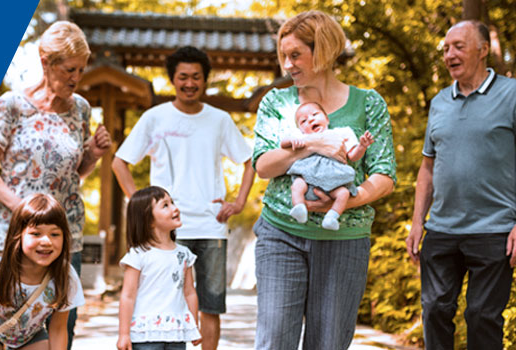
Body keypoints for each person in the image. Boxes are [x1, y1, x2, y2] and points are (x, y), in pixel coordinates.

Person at [251, 10, 396, 349]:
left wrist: (344, 201)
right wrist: (315, 144)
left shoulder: (368, 103)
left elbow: (385, 174)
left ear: (325, 50)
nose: (287, 64)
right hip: (280, 233)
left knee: (329, 343)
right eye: (283, 56)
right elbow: (263, 165)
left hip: (344, 239)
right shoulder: (277, 101)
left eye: (296, 55)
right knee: (274, 341)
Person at [0, 21, 110, 349]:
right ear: (45, 61)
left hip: (65, 231)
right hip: (18, 232)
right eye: (69, 69)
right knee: (5, 319)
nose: (76, 78)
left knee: (64, 322)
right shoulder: (12, 106)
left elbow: (75, 174)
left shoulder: (81, 109)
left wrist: (93, 153)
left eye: (81, 70)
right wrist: (20, 206)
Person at [405, 20, 516, 350]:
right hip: (442, 230)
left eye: (458, 47)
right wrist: (416, 223)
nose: (449, 54)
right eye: (446, 48)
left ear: (482, 50)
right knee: (435, 310)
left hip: (494, 230)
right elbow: (427, 168)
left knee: (481, 316)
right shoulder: (438, 102)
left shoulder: (513, 92)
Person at [112, 46, 255, 350]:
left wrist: (239, 202)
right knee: (158, 301)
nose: (189, 83)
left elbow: (249, 161)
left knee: (210, 307)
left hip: (211, 226)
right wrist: (142, 209)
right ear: (172, 80)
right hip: (165, 232)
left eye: (196, 77)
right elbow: (119, 162)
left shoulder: (219, 120)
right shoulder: (155, 118)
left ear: (205, 80)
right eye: (183, 77)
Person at [0, 193, 85, 350]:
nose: (46, 241)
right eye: (36, 233)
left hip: (28, 338)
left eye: (54, 234)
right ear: (18, 235)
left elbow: (58, 327)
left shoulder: (65, 275)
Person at [116, 186, 202, 350]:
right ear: (148, 221)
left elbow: (190, 292)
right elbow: (127, 296)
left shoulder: (184, 254)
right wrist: (124, 334)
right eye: (165, 205)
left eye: (172, 203)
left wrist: (194, 326)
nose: (175, 208)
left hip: (176, 333)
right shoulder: (139, 255)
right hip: (145, 335)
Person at [281, 102, 375, 230]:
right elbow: (283, 143)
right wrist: (292, 141)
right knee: (297, 184)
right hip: (309, 175)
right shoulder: (303, 137)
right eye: (303, 121)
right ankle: (299, 208)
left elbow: (353, 156)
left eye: (315, 114)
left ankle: (331, 217)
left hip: (333, 178)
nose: (310, 119)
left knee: (343, 194)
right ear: (301, 129)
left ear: (327, 119)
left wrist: (362, 147)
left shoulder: (341, 133)